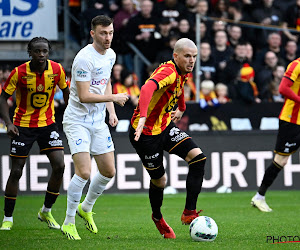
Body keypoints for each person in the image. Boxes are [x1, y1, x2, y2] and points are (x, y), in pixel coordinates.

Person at [129, 38, 207, 239]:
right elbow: (146, 89)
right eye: (187, 56)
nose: (192, 60)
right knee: (160, 181)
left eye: (194, 57)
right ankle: (157, 217)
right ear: (176, 56)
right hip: (144, 133)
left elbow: (179, 87)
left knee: (198, 159)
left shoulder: (182, 72)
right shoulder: (169, 71)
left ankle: (189, 212)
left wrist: (182, 107)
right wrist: (143, 116)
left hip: (164, 126)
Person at [61, 15, 128, 240]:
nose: (108, 37)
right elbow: (84, 95)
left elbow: (105, 80)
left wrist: (111, 111)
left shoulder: (111, 54)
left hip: (98, 121)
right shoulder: (83, 59)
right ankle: (69, 221)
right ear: (93, 33)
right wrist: (114, 97)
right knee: (85, 171)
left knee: (109, 171)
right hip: (77, 120)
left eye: (110, 33)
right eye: (103, 33)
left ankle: (86, 207)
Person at [0, 37, 70, 230]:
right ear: (29, 52)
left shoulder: (57, 70)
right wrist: (8, 123)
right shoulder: (19, 72)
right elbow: (3, 98)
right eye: (37, 51)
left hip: (48, 124)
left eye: (45, 51)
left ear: (49, 52)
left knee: (60, 166)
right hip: (23, 126)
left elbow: (66, 91)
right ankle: (8, 217)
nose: (41, 55)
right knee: (16, 171)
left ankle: (46, 212)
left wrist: (70, 111)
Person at [251, 57, 300, 212]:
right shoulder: (296, 65)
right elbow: (283, 88)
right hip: (292, 121)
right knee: (281, 160)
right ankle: (259, 197)